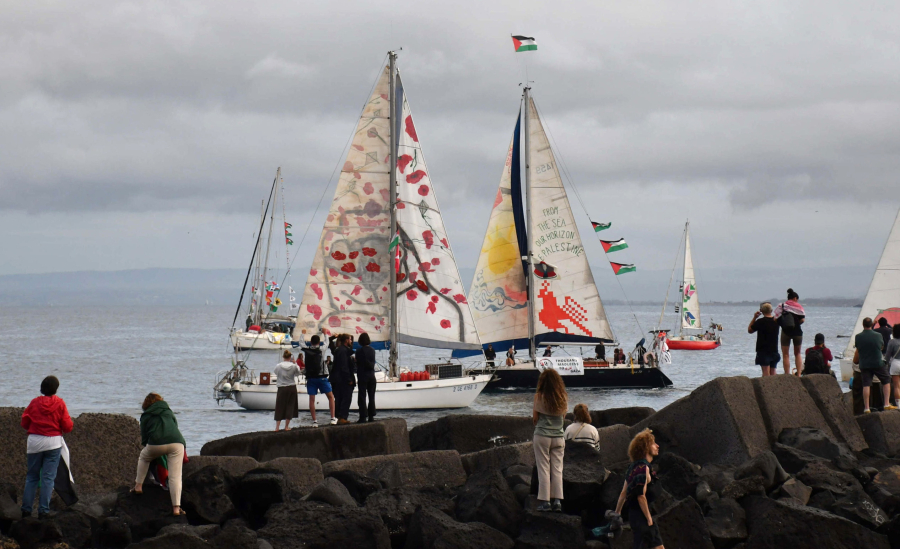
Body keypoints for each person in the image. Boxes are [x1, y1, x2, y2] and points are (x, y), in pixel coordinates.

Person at [21, 376, 74, 519]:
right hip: (53, 442)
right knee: (48, 478)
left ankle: (26, 510)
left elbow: (24, 421)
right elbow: (67, 426)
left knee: (32, 476)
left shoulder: (34, 402)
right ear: (56, 388)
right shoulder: (60, 403)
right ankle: (43, 511)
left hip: (35, 441)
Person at [133, 393, 187, 516]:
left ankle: (138, 486)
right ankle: (176, 509)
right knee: (175, 477)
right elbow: (175, 427)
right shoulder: (168, 412)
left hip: (156, 443)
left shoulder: (146, 415)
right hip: (177, 443)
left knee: (144, 457)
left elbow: (144, 437)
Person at [615, 429, 664, 549]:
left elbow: (623, 493)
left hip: (635, 517)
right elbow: (640, 496)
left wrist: (617, 513)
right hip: (641, 517)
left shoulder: (633, 467)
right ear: (646, 447)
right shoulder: (643, 468)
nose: (657, 446)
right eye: (653, 443)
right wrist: (649, 519)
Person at [532, 368, 568, 512]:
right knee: (557, 469)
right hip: (559, 437)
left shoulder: (538, 397)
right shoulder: (563, 397)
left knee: (544, 468)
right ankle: (557, 501)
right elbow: (563, 418)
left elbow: (535, 419)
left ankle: (545, 502)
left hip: (542, 436)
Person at [854, 317, 896, 413]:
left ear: (863, 324)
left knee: (866, 384)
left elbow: (858, 348)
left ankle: (867, 408)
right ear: (871, 324)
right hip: (877, 362)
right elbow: (881, 346)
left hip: (864, 363)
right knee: (886, 380)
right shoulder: (878, 335)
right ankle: (886, 404)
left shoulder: (858, 336)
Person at [303, 335, 336, 427]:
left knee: (312, 399)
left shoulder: (306, 349)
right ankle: (333, 418)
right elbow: (327, 343)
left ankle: (315, 421)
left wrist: (303, 334)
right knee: (330, 397)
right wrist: (325, 334)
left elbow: (301, 343)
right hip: (322, 377)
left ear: (310, 342)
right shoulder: (321, 350)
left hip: (311, 378)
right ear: (318, 342)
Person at [774, 289, 805, 376]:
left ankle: (787, 374)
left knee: (785, 354)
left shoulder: (782, 306)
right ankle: (799, 374)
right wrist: (796, 323)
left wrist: (782, 324)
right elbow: (802, 319)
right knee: (798, 353)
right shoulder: (799, 307)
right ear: (795, 298)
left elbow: (775, 318)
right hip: (797, 332)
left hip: (785, 332)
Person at [748, 303, 780, 376]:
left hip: (763, 351)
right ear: (771, 310)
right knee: (773, 372)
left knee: (766, 373)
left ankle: (766, 387)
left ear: (761, 311)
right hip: (774, 350)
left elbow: (750, 330)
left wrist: (754, 317)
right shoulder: (776, 321)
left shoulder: (760, 321)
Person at [273, 350, 301, 431]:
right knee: (290, 406)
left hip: (281, 387)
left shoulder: (278, 366)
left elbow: (276, 373)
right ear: (290, 357)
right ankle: (286, 427)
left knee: (279, 406)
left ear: (283, 357)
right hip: (291, 387)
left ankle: (277, 427)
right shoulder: (293, 366)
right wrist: (295, 363)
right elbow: (298, 373)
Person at [331, 334, 355, 424]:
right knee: (346, 398)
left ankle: (338, 417)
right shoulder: (343, 351)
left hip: (337, 379)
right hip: (343, 380)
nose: (351, 341)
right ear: (346, 340)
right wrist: (349, 379)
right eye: (350, 339)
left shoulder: (339, 350)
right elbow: (344, 366)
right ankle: (342, 417)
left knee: (339, 398)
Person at [355, 332, 377, 423]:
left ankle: (363, 416)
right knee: (371, 396)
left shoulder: (359, 351)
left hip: (363, 375)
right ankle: (371, 416)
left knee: (362, 396)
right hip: (372, 375)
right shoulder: (372, 350)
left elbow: (358, 363)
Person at [886, 324, 900, 406]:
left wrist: (886, 364)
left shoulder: (892, 341)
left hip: (895, 364)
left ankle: (899, 406)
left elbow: (887, 356)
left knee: (896, 386)